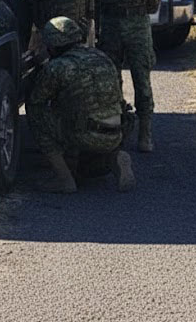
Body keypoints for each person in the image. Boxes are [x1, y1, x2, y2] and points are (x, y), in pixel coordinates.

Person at [89, 0, 170, 152]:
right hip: (110, 23)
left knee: (141, 79)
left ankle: (145, 134)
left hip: (136, 23)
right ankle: (116, 131)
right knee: (111, 81)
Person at [26, 16, 136, 193]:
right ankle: (115, 156)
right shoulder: (102, 57)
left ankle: (64, 179)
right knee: (90, 166)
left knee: (35, 112)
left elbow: (37, 100)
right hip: (117, 133)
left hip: (83, 134)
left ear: (53, 45)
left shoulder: (57, 67)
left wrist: (39, 70)